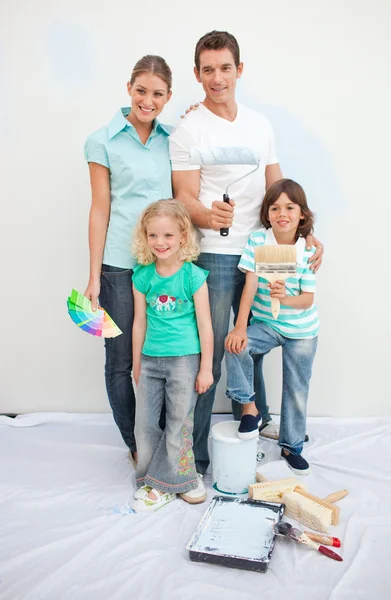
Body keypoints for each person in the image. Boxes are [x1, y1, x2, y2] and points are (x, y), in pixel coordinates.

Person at [170, 30, 320, 481]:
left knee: (255, 339)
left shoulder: (259, 124)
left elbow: (280, 189)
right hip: (215, 254)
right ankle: (194, 457)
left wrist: (307, 235)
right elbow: (184, 199)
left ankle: (255, 423)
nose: (218, 78)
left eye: (225, 68)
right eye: (208, 69)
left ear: (240, 69)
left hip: (265, 249)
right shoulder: (188, 128)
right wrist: (208, 214)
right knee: (212, 350)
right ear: (197, 74)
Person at [83, 56, 173, 464]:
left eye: (157, 94)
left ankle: (167, 442)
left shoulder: (173, 139)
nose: (148, 101)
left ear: (168, 97)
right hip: (119, 265)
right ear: (128, 89)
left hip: (163, 264)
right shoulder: (101, 140)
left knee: (164, 356)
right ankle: (136, 446)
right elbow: (100, 209)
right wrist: (93, 278)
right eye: (141, 91)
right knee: (120, 361)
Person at [225, 179, 318, 475]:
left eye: (290, 207)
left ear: (301, 214)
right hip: (266, 324)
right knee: (235, 345)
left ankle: (291, 446)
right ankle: (250, 408)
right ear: (266, 214)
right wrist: (240, 327)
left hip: (301, 331)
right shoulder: (258, 241)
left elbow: (307, 299)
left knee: (296, 389)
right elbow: (250, 285)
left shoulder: (307, 250)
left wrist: (285, 298)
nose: (282, 213)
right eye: (275, 207)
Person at [131, 200, 213, 513]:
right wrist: (137, 365)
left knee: (180, 422)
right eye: (153, 235)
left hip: (184, 359)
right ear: (145, 237)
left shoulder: (193, 276)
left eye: (167, 235)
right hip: (151, 359)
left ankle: (177, 481)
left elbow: (205, 326)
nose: (160, 242)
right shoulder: (142, 276)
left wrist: (205, 368)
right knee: (145, 423)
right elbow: (139, 322)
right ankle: (153, 480)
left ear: (182, 236)